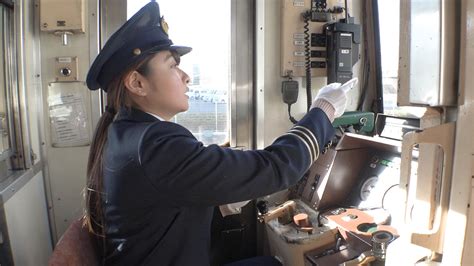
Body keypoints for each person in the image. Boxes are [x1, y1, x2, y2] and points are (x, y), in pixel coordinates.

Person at [84, 2, 352, 265]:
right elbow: (276, 168)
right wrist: (323, 109)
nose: (186, 76)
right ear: (137, 83)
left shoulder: (126, 135)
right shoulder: (155, 146)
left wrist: (223, 190)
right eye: (172, 66)